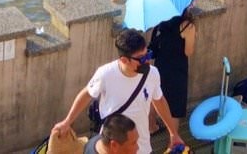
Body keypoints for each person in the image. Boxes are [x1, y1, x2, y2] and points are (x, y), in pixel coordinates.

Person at [52, 28, 183, 154]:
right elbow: (87, 94)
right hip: (114, 147)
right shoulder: (105, 74)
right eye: (142, 59)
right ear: (124, 60)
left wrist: (173, 133)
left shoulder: (152, 74)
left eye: (148, 54)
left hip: (141, 146)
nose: (147, 61)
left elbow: (159, 100)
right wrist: (67, 121)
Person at [149, 8, 196, 125]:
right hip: (177, 69)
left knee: (156, 96)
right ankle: (173, 139)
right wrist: (193, 36)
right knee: (175, 105)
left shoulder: (160, 22)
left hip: (160, 66)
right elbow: (188, 51)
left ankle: (151, 127)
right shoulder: (187, 26)